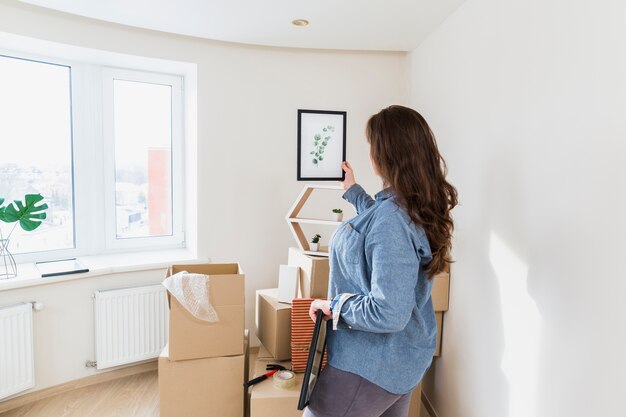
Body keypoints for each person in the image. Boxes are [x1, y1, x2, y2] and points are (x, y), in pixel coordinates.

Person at [304, 105, 458, 417]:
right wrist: (353, 192)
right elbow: (380, 228)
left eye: (372, 146)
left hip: (367, 366)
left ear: (385, 155)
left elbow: (389, 312)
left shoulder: (392, 219)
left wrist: (335, 306)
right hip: (401, 362)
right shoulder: (411, 206)